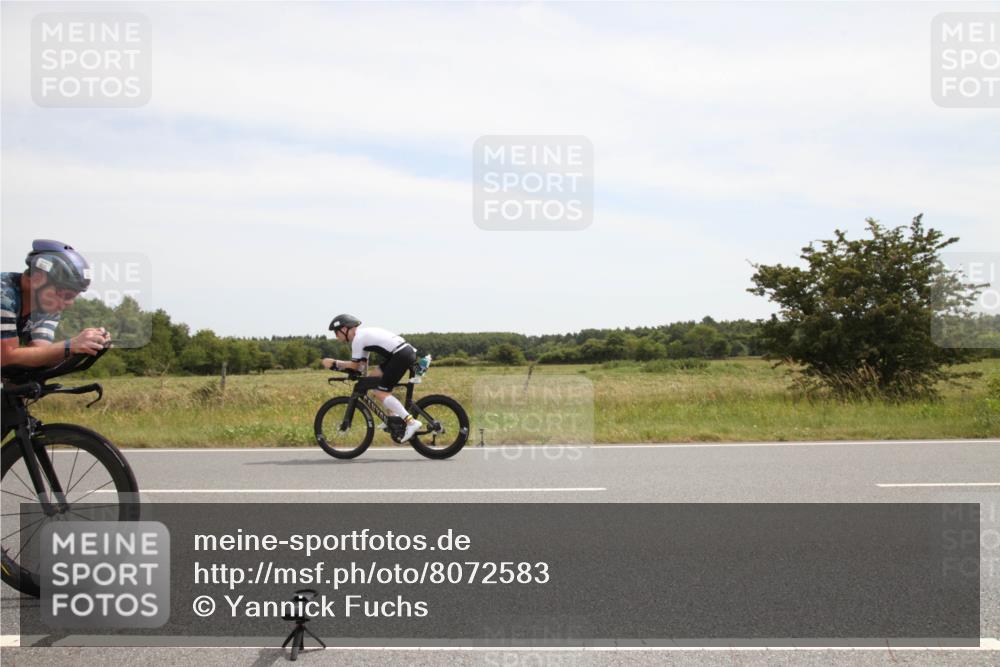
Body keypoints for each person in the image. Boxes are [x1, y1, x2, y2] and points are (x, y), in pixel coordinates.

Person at [1, 240, 110, 369]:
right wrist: (70, 345)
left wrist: (83, 346)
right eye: (64, 294)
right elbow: (5, 358)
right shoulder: (4, 294)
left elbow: (41, 356)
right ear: (37, 278)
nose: (69, 303)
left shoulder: (46, 305)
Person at [322, 314, 422, 442]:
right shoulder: (362, 337)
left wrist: (335, 364)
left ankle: (410, 422)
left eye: (336, 332)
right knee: (373, 380)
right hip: (401, 353)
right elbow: (362, 366)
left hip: (401, 355)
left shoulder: (358, 339)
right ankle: (393, 418)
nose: (336, 337)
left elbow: (355, 365)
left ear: (345, 329)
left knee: (381, 392)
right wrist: (355, 374)